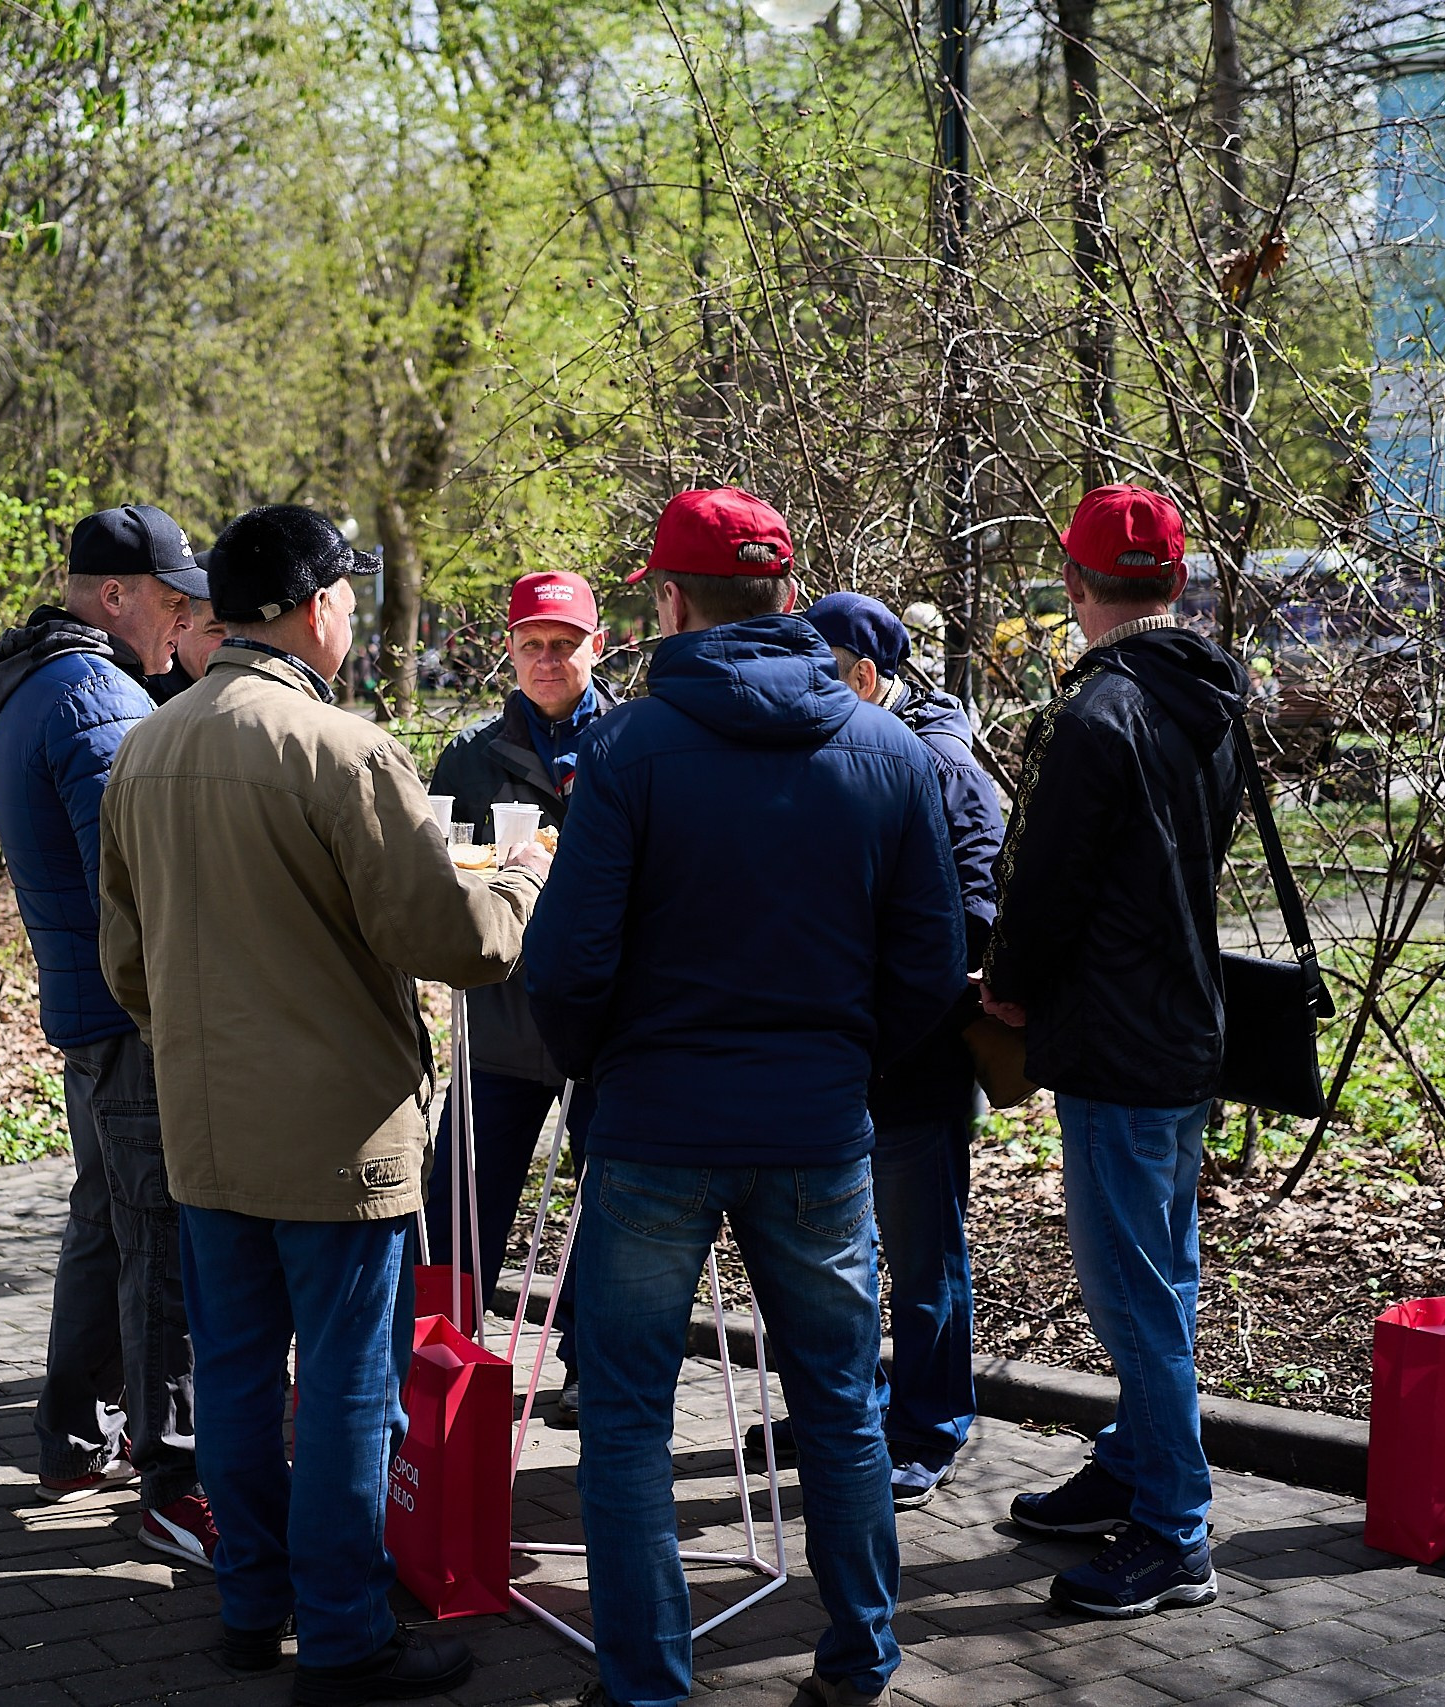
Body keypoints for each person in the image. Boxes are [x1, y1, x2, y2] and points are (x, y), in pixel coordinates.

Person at [97, 504, 552, 1705]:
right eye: (347, 594)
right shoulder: (339, 748)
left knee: (239, 1380)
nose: (352, 611)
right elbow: (453, 942)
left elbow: (126, 963)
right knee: (350, 1392)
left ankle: (253, 1609)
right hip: (340, 1136)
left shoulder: (148, 743)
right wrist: (518, 880)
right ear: (312, 610)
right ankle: (345, 1637)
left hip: (205, 1129)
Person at [526, 488, 967, 1707]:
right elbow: (928, 968)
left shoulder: (626, 751)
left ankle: (646, 1684)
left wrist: (606, 1066)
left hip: (657, 1127)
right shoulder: (887, 753)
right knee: (836, 1401)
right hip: (815, 1128)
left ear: (669, 603)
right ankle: (863, 1656)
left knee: (624, 1415)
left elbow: (564, 966)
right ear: (787, 593)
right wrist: (844, 1062)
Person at [980, 484, 1246, 1618]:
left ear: (1074, 585)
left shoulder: (1097, 716)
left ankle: (1173, 1531)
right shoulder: (1210, 697)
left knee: (1134, 1293)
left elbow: (1047, 888)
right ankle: (1135, 1465)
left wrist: (1005, 991)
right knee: (1161, 1274)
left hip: (1116, 1041)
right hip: (1186, 1026)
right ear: (1174, 583)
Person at [0, 503, 209, 1567]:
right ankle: (173, 1479)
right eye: (169, 603)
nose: (180, 622)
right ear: (114, 597)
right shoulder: (94, 696)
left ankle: (75, 1441)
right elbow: (141, 885)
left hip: (88, 1012)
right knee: (156, 1241)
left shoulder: (45, 681)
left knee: (107, 1226)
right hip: (128, 1020)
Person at [746, 592, 1002, 1507]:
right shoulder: (830, 751)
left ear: (865, 677)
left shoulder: (941, 765)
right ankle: (850, 1405)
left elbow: (973, 915)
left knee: (923, 1257)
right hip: (837, 1062)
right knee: (835, 1258)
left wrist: (881, 1006)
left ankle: (931, 1427)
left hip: (909, 1062)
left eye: (819, 672)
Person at [424, 570, 614, 1424]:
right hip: (499, 1017)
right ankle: (436, 1361)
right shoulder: (467, 756)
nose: (547, 660)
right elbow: (432, 872)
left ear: (596, 646)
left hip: (606, 1023)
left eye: (564, 645)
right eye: (532, 644)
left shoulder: (635, 740)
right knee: (458, 1197)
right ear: (509, 648)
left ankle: (590, 1361)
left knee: (608, 1199)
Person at [146, 594, 229, 704]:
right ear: (181, 627)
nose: (234, 646)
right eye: (216, 631)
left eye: (243, 634)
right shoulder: (144, 702)